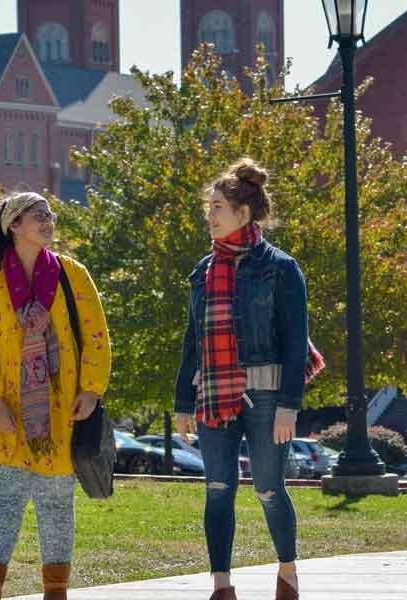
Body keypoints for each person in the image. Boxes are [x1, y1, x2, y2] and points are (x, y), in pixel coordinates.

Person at [0, 191, 112, 600]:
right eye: (37, 215)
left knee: (56, 502)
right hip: (4, 409)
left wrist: (91, 391)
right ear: (13, 226)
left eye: (50, 214)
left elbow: (97, 337)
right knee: (3, 500)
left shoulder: (72, 274)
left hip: (62, 409)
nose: (48, 221)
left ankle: (56, 591)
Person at [174, 159, 311, 600]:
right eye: (208, 208)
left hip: (268, 394)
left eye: (218, 207)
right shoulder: (202, 272)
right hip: (213, 392)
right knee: (217, 489)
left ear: (243, 214)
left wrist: (290, 403)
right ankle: (221, 586)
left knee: (269, 489)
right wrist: (181, 401)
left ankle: (287, 573)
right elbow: (191, 342)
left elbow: (295, 341)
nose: (210, 216)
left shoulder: (280, 268)